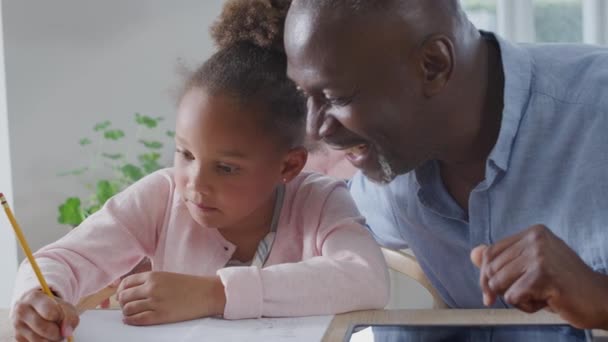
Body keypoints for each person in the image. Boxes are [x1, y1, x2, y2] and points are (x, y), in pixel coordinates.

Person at [10, 0, 389, 340]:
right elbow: (61, 260)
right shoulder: (161, 196)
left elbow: (366, 278)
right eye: (185, 154)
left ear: (287, 166)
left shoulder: (318, 201)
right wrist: (40, 297)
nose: (195, 184)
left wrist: (215, 293)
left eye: (225, 168)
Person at [284, 0, 608, 329]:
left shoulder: (597, 113)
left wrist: (599, 298)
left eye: (337, 98)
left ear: (434, 65)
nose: (315, 129)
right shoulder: (393, 158)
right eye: (302, 93)